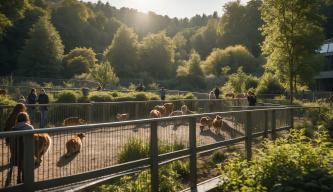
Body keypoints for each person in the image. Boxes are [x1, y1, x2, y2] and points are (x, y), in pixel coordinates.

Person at [10, 112, 34, 183]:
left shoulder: (13, 128)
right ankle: (25, 178)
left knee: (20, 161)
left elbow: (11, 143)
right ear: (27, 118)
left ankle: (19, 177)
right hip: (26, 152)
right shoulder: (29, 127)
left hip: (16, 152)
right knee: (26, 162)